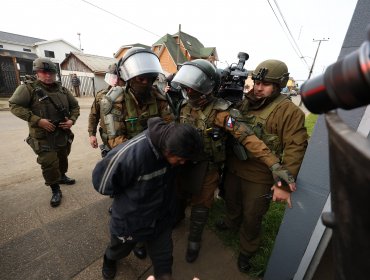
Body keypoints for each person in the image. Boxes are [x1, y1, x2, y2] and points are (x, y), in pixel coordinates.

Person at [171, 59, 296, 263]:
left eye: (194, 89)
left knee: (202, 204)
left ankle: (194, 240)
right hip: (183, 163)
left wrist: (275, 166)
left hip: (207, 167)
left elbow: (248, 138)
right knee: (177, 194)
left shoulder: (221, 112)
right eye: (187, 88)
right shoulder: (184, 106)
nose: (189, 92)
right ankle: (175, 218)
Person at [217, 59, 308, 272]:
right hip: (234, 167)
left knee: (252, 215)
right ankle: (231, 222)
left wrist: (283, 182)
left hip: (259, 176)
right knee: (231, 200)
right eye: (257, 82)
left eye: (265, 84)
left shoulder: (289, 112)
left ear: (278, 85)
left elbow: (296, 148)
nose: (258, 88)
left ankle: (247, 248)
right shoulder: (245, 102)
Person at [92, 117, 203, 280]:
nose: (182, 163)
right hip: (131, 222)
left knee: (164, 261)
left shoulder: (174, 149)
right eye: (180, 160)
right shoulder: (130, 154)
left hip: (161, 219)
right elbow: (102, 183)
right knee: (118, 249)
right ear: (167, 151)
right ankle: (109, 260)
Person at [9, 57, 80, 207]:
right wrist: (38, 120)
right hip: (43, 137)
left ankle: (62, 176)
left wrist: (71, 121)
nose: (48, 75)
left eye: (51, 72)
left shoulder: (62, 89)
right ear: (37, 73)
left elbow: (75, 107)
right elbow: (14, 106)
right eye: (43, 72)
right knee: (48, 163)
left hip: (61, 133)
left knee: (62, 158)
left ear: (55, 73)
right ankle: (55, 189)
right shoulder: (28, 89)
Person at [88, 63, 125, 157]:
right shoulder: (101, 95)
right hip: (107, 139)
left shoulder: (129, 96)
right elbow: (93, 115)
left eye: (118, 78)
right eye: (113, 77)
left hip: (125, 140)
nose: (116, 81)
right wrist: (92, 134)